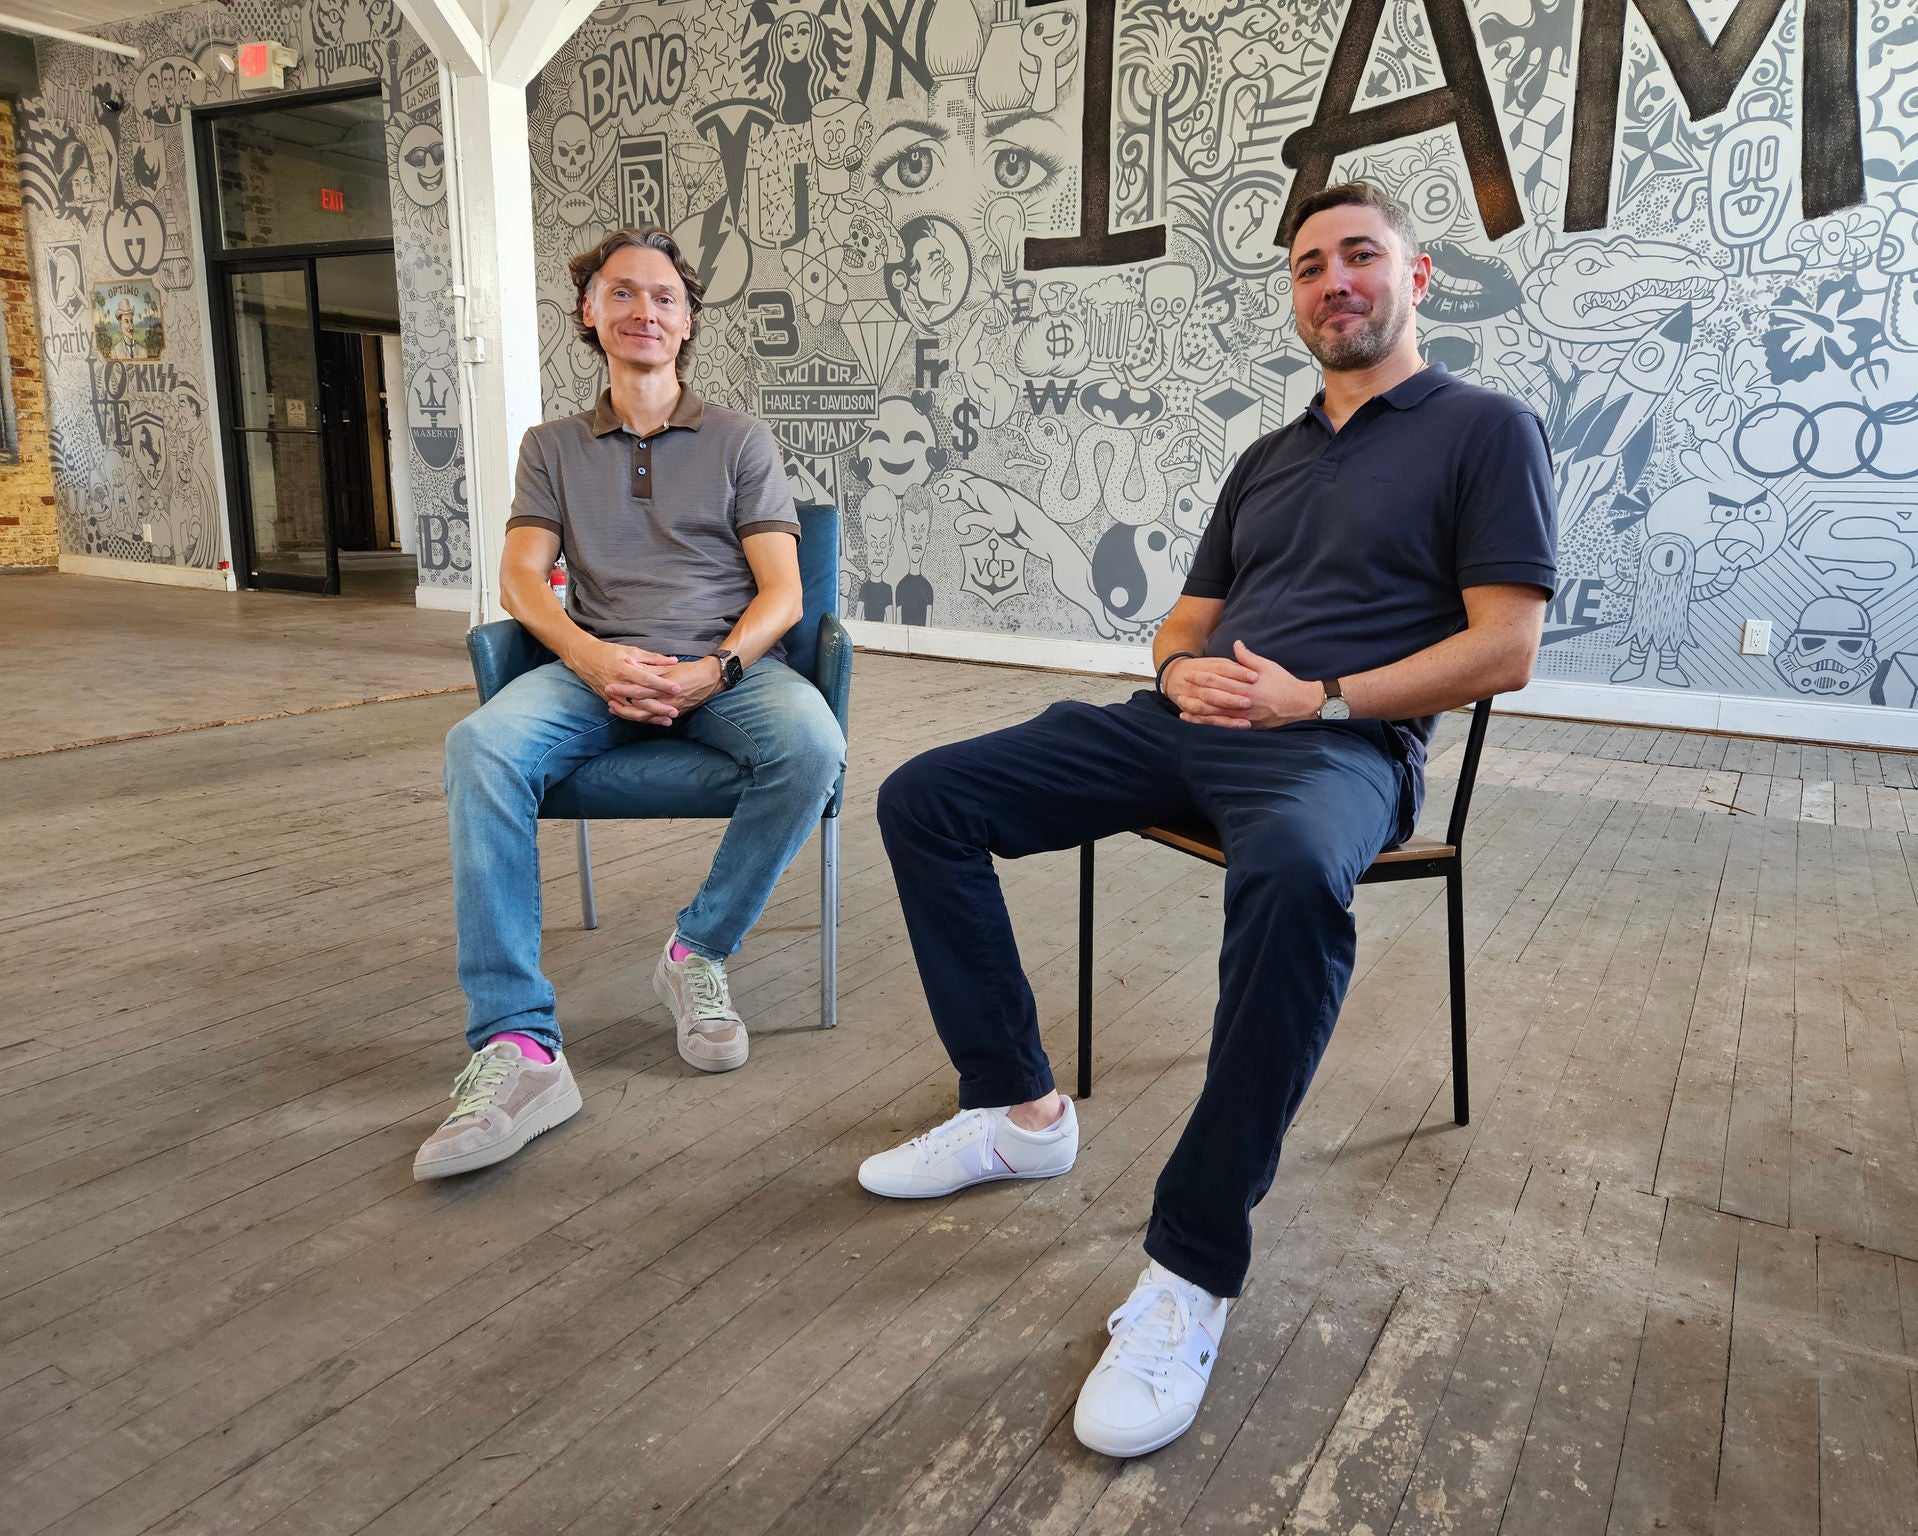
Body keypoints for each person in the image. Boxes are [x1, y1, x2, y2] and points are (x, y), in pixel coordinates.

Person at [859, 182, 1556, 1456]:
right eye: (1307, 266)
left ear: (1418, 278)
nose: (1331, 281)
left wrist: (1322, 698)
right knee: (925, 798)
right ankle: (1017, 1112)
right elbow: (1185, 621)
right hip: (1187, 724)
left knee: (1292, 879)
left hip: (1338, 748)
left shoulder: (1483, 430)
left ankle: (1189, 1269)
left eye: (1359, 257)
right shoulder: (1267, 455)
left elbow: (1504, 647)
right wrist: (1182, 674)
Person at [415, 229, 845, 1181]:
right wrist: (592, 655)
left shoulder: (739, 440)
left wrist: (715, 671)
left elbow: (783, 594)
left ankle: (697, 949)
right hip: (591, 666)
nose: (643, 312)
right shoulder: (551, 447)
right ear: (590, 314)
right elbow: (523, 579)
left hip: (724, 668)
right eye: (622, 295)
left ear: (687, 322)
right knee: (479, 748)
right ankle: (519, 1046)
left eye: (663, 298)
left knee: (815, 745)